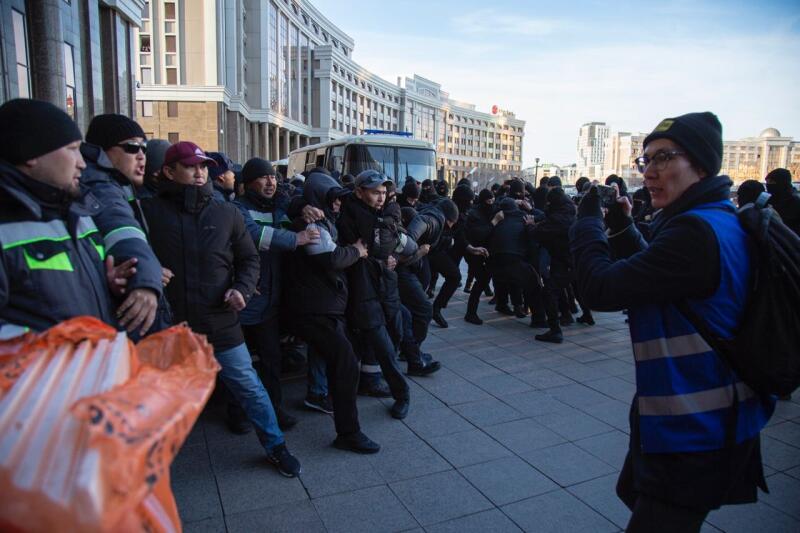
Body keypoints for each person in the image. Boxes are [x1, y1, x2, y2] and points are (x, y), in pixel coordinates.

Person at [570, 112, 775, 532]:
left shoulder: (694, 233)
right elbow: (664, 276)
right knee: (636, 494)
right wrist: (624, 225)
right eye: (645, 161)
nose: (649, 173)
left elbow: (599, 288)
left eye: (664, 158)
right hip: (700, 418)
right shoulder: (713, 220)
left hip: (697, 430)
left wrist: (587, 220)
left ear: (700, 163)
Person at [141, 141, 302, 477]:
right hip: (171, 322)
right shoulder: (147, 211)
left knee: (249, 386)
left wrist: (242, 289)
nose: (200, 173)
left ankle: (276, 446)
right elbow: (125, 252)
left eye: (203, 167)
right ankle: (147, 467)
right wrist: (147, 267)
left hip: (221, 320)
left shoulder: (225, 212)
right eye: (190, 166)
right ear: (169, 171)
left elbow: (249, 259)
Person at [0, 99, 121, 338]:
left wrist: (107, 287)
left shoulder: (77, 212)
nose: (82, 163)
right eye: (72, 149)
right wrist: (54, 346)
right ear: (31, 153)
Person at [283, 171, 381, 454]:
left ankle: (343, 423)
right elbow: (331, 259)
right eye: (333, 199)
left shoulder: (325, 218)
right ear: (319, 199)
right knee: (346, 362)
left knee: (344, 360)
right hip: (314, 309)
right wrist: (357, 251)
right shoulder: (311, 223)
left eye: (340, 199)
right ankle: (348, 432)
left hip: (325, 307)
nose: (339, 204)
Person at [235, 158, 319, 431]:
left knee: (272, 360)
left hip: (271, 300)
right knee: (241, 364)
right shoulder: (237, 209)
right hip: (246, 300)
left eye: (273, 177)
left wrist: (304, 209)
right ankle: (237, 413)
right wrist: (296, 239)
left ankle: (275, 408)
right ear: (247, 184)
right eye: (263, 177)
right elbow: (253, 235)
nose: (271, 182)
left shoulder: (279, 206)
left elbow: (293, 203)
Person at [82, 113, 165, 337]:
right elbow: (120, 229)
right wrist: (146, 278)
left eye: (144, 148)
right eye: (132, 147)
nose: (141, 156)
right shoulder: (100, 185)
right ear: (103, 151)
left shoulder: (120, 185)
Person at [337, 170, 411, 419]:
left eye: (383, 193)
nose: (381, 198)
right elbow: (370, 248)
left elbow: (401, 244)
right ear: (359, 192)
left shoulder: (386, 213)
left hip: (387, 286)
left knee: (396, 333)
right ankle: (402, 394)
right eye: (374, 192)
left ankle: (368, 382)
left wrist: (395, 257)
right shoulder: (350, 214)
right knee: (384, 347)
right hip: (363, 289)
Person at [765, 168, 800, 235]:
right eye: (767, 182)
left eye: (771, 182)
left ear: (781, 182)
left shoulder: (795, 202)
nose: (768, 185)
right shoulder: (770, 199)